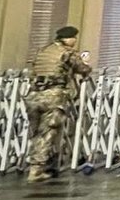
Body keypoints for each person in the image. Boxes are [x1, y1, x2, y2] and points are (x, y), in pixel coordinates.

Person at [25, 26, 91, 183]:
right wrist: (87, 66)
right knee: (47, 133)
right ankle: (37, 170)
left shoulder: (44, 50)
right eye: (74, 38)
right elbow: (82, 68)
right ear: (68, 39)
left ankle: (46, 162)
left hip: (34, 96)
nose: (75, 41)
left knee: (36, 132)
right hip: (53, 95)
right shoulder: (67, 52)